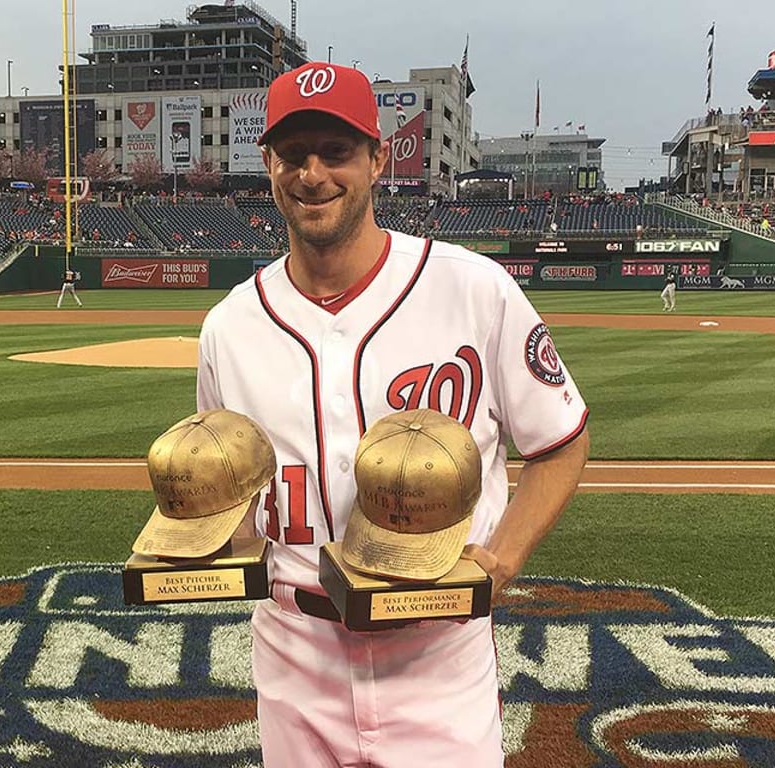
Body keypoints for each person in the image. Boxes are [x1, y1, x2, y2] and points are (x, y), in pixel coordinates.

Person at [195, 62, 590, 767]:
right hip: (293, 658)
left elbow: (561, 441)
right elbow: (228, 495)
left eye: (337, 151)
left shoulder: (473, 290)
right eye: (294, 154)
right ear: (269, 164)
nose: (313, 174)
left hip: (438, 658)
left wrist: (503, 561)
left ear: (378, 160)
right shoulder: (229, 327)